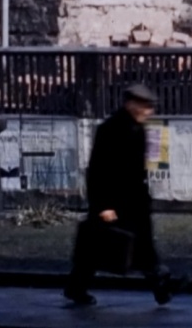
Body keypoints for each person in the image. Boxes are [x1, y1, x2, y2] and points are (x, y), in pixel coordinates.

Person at [65, 83, 180, 307]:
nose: (149, 112)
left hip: (135, 200)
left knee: (143, 247)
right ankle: (75, 287)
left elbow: (138, 169)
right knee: (96, 249)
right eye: (145, 106)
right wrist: (103, 206)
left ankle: (161, 288)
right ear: (131, 105)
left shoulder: (138, 130)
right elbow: (98, 170)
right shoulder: (110, 129)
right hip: (113, 202)